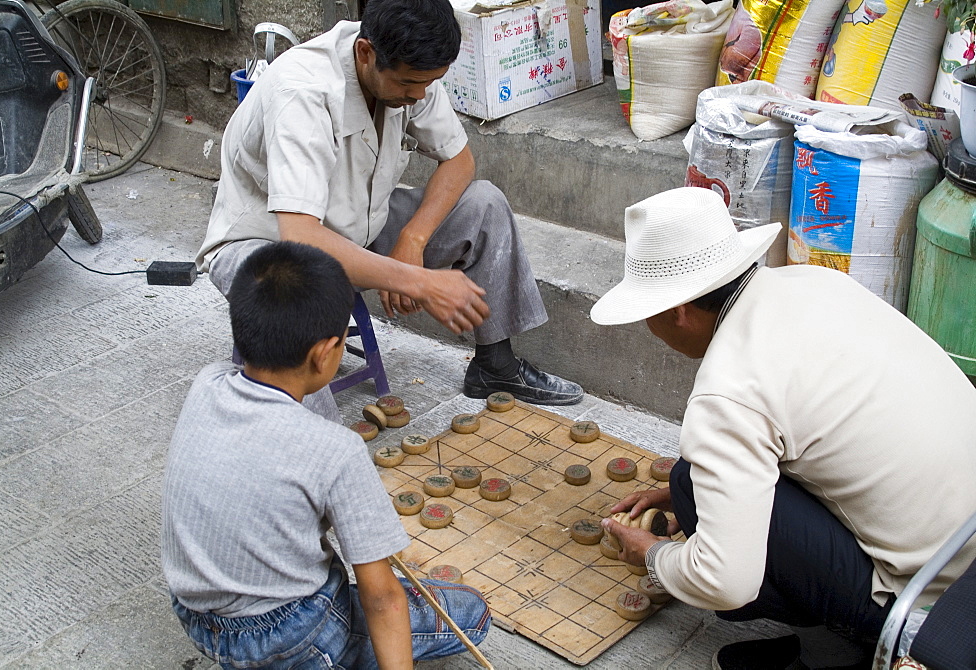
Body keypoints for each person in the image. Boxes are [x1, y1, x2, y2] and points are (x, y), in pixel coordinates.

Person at [590, 188, 976, 670]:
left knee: (691, 487)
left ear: (678, 312)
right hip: (967, 541)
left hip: (937, 603)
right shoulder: (813, 281)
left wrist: (654, 557)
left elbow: (725, 581)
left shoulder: (727, 390)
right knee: (687, 484)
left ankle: (836, 656)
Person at [196, 0, 582, 419]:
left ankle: (496, 367)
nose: (417, 96)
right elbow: (301, 237)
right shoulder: (302, 91)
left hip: (359, 225)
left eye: (429, 83)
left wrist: (412, 239)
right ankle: (310, 440)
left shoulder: (411, 69)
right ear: (366, 54)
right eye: (409, 84)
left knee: (484, 203)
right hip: (267, 246)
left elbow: (460, 160)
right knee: (294, 295)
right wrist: (419, 281)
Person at [162, 241, 491, 669]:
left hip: (195, 615)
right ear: (325, 355)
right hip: (288, 633)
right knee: (471, 613)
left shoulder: (206, 383)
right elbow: (382, 597)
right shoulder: (336, 450)